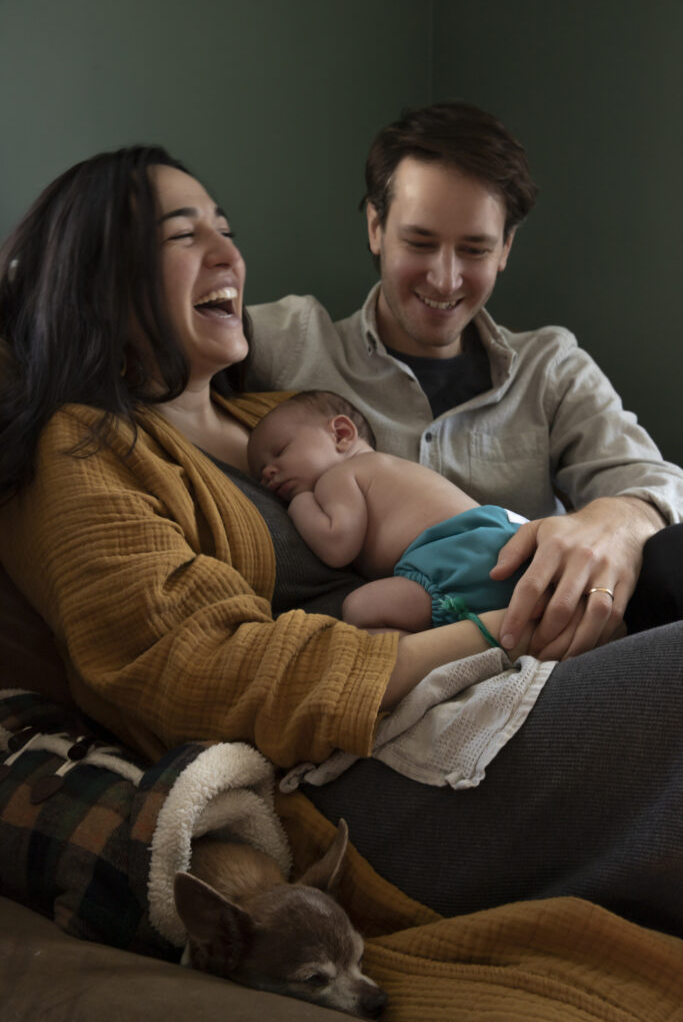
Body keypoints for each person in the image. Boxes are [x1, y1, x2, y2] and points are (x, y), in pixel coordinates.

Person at [0, 147, 682, 942]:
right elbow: (196, 669)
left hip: (485, 654)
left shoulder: (273, 410)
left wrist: (614, 526)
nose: (229, 254)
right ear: (94, 277)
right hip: (367, 756)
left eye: (224, 230)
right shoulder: (86, 446)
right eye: (184, 236)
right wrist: (500, 634)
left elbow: (640, 477)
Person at [245, 101, 683, 662]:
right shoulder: (295, 342)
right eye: (420, 242)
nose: (445, 278)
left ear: (505, 249)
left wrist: (615, 521)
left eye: (474, 249)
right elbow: (158, 336)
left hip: (541, 646)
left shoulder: (549, 366)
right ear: (376, 228)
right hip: (407, 654)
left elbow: (653, 480)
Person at [247, 389, 530, 635]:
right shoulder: (387, 469)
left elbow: (337, 544)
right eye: (260, 474)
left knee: (359, 610)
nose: (269, 473)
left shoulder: (340, 476)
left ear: (341, 435)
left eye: (280, 451)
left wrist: (299, 503)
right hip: (503, 540)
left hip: (454, 554)